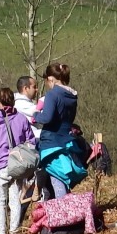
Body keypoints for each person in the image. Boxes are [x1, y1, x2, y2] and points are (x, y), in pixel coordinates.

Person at [0, 87, 35, 234]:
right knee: (15, 199)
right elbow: (30, 141)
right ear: (13, 101)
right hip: (16, 165)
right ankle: (14, 233)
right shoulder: (21, 118)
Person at [33, 63, 85, 198]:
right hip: (66, 141)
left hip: (52, 144)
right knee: (63, 179)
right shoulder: (72, 96)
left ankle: (64, 216)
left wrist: (36, 113)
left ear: (51, 79)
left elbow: (46, 118)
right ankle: (69, 213)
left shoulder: (53, 94)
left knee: (57, 181)